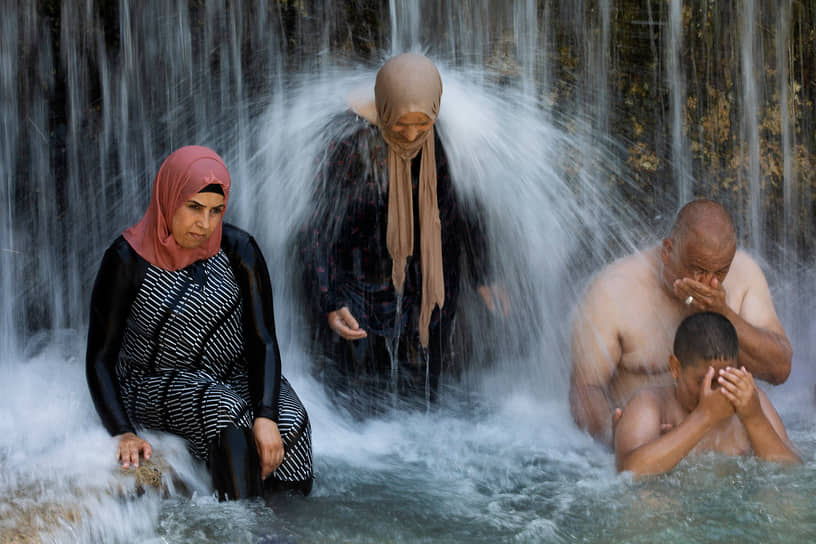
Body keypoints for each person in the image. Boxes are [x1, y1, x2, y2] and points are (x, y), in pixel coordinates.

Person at [86, 145, 313, 499]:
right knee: (223, 410)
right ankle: (246, 529)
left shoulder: (239, 249)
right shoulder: (126, 260)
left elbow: (263, 339)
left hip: (231, 373)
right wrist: (122, 431)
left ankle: (291, 525)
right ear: (169, 198)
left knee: (291, 422)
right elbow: (99, 358)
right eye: (193, 207)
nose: (205, 224)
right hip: (153, 382)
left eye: (216, 211)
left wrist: (266, 414)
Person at [298, 53, 505, 413]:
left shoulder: (446, 137)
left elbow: (465, 205)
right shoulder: (347, 142)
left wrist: (484, 274)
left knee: (424, 392)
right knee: (357, 386)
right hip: (359, 274)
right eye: (399, 126)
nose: (411, 135)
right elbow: (318, 224)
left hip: (429, 278)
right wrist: (329, 298)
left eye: (421, 125)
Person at [570, 199, 792, 447]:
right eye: (697, 270)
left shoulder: (744, 274)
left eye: (720, 273)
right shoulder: (612, 290)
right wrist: (614, 437)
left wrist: (725, 314)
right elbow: (585, 389)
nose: (708, 283)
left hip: (725, 448)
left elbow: (780, 369)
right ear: (667, 251)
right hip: (648, 449)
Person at [614, 311, 800, 478]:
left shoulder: (749, 400)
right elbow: (628, 473)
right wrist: (704, 417)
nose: (716, 391)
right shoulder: (652, 404)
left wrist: (754, 418)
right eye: (705, 380)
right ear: (675, 368)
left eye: (726, 378)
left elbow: (793, 472)